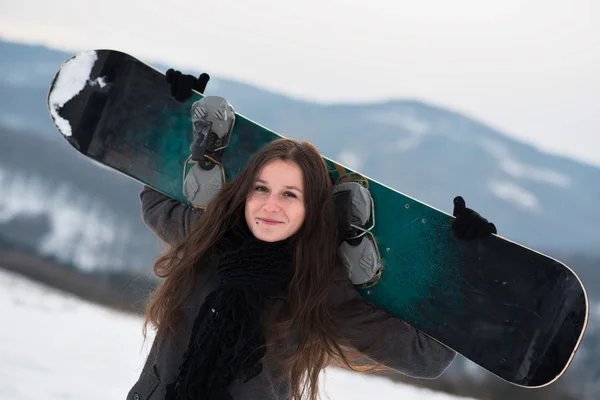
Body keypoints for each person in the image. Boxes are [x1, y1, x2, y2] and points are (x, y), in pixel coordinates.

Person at [127, 71, 498, 400]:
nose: (270, 206)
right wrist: (177, 114)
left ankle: (351, 236)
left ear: (311, 210)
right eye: (260, 189)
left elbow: (427, 358)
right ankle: (210, 176)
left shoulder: (319, 286)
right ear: (243, 194)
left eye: (290, 195)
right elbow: (155, 201)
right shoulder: (208, 239)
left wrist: (460, 262)